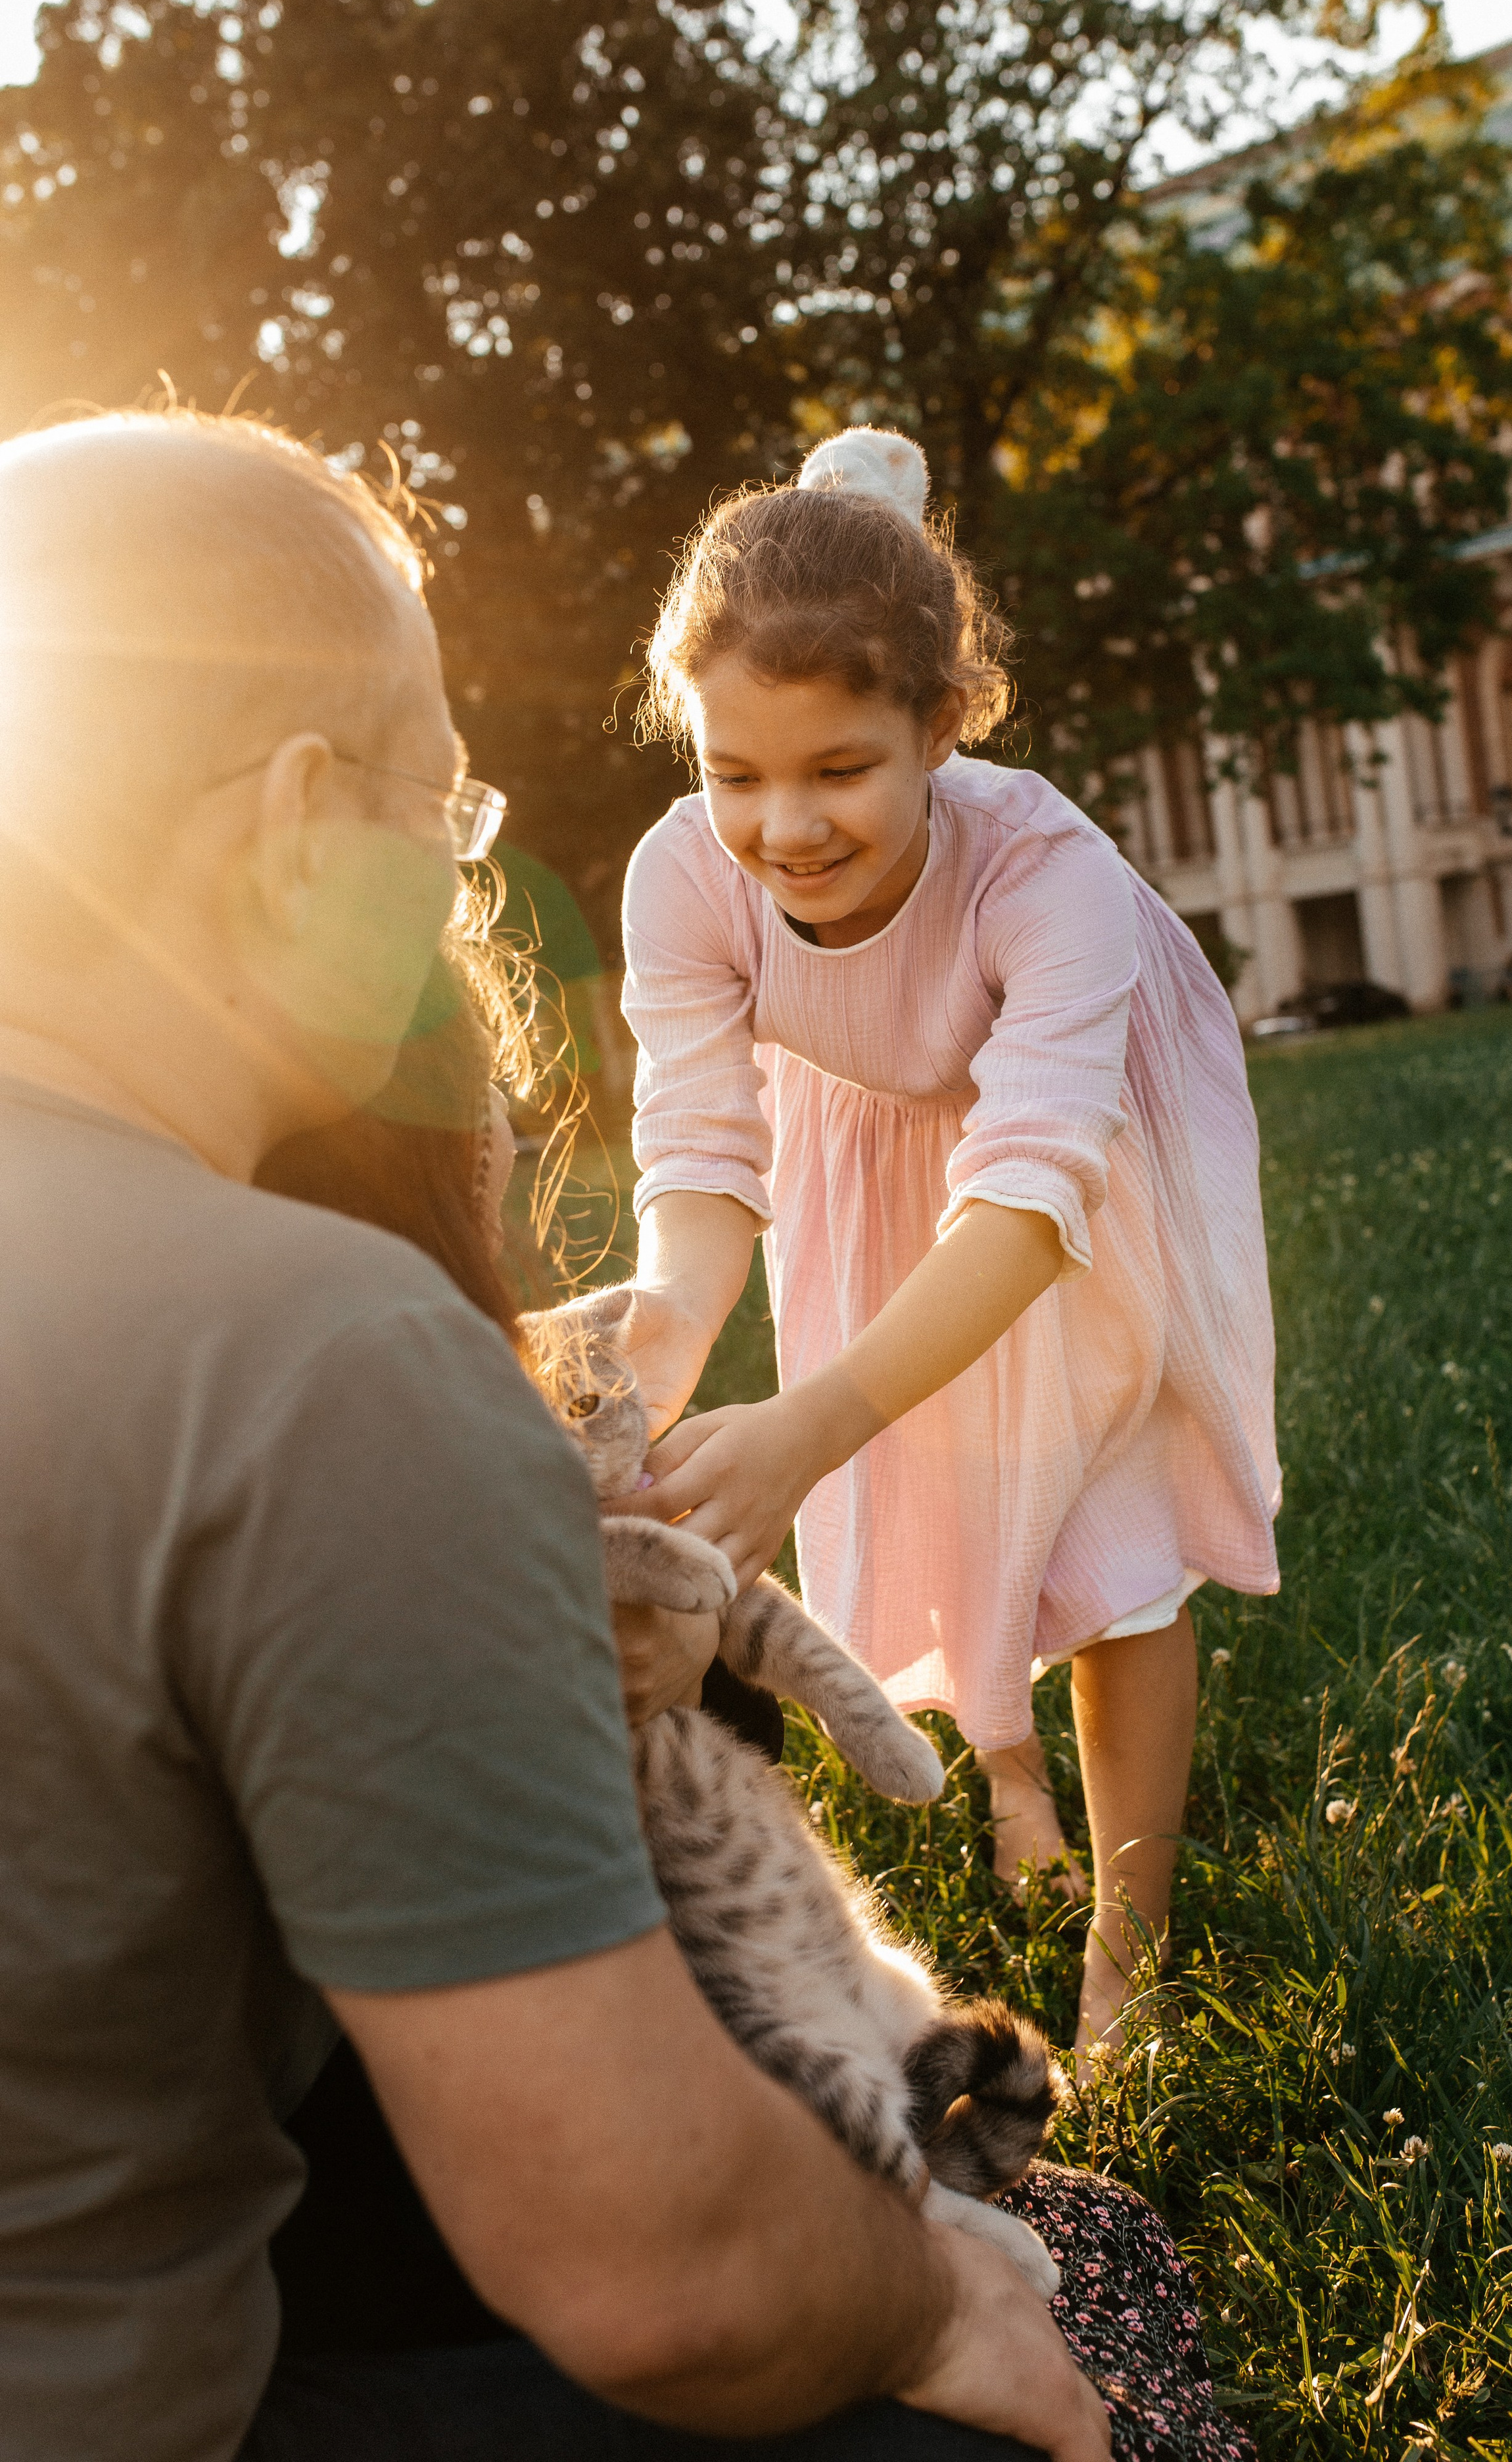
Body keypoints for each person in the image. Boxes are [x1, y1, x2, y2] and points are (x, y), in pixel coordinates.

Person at [0, 407, 1109, 2462]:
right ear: (308, 814)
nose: (460, 866)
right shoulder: (314, 1354)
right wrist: (932, 2301)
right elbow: (662, 2278)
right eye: (448, 798)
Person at [255, 922, 1254, 2461]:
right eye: (493, 1155)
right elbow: (602, 2151)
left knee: (1084, 2231)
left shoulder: (267, 1403)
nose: (515, 1175)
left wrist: (688, 1643)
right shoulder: (400, 1483)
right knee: (1071, 2343)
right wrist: (915, 2298)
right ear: (433, 1163)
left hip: (401, 2231)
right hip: (463, 2277)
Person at [611, 429, 1280, 2058]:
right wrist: (641, 1383)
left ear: (942, 726)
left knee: (1106, 1534)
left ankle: (1126, 1970)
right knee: (943, 1482)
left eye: (840, 769)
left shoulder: (1044, 868)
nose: (783, 826)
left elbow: (1030, 1200)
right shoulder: (679, 878)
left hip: (1071, 1153)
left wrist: (806, 1418)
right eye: (733, 773)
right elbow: (700, 1167)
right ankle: (1007, 1777)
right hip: (870, 1129)